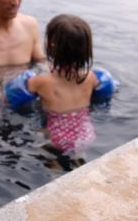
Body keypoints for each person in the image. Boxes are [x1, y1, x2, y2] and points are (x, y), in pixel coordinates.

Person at [27, 14, 98, 158]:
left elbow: (18, 93)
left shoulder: (41, 81)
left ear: (51, 45)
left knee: (45, 146)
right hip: (86, 133)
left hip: (56, 137)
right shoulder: (90, 76)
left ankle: (54, 167)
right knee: (78, 158)